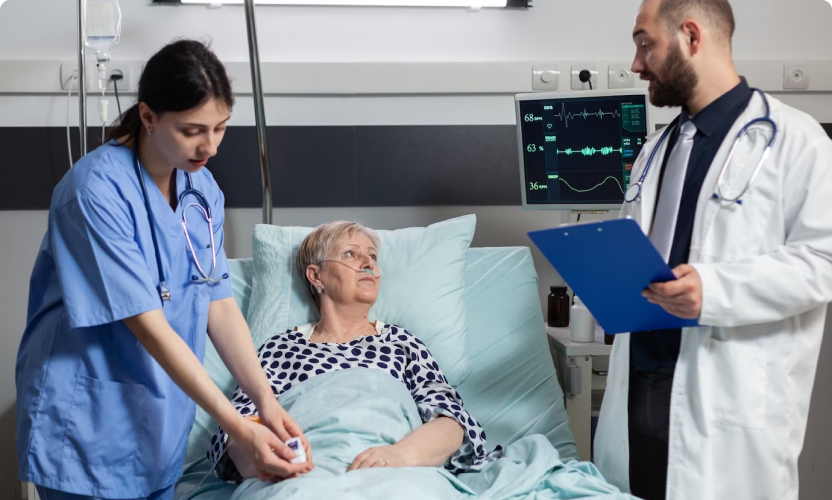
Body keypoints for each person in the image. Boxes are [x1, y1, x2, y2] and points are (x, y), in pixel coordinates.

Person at [15, 40, 312, 500]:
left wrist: (266, 403)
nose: (210, 146)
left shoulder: (201, 189)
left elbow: (219, 305)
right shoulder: (94, 192)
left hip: (158, 425)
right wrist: (237, 426)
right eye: (192, 130)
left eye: (220, 127)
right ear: (149, 116)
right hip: (88, 425)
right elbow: (148, 325)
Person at [593, 1, 832, 499]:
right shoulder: (655, 149)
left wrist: (715, 290)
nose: (636, 64)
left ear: (691, 37)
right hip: (640, 392)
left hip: (725, 404)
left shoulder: (797, 142)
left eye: (645, 44)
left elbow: (823, 262)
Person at [208, 221, 503, 483]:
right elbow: (236, 429)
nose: (368, 264)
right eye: (351, 254)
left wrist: (399, 456)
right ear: (316, 275)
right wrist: (267, 464)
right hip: (303, 474)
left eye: (372, 257)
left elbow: (452, 423)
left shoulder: (402, 344)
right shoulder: (279, 349)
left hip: (395, 474)